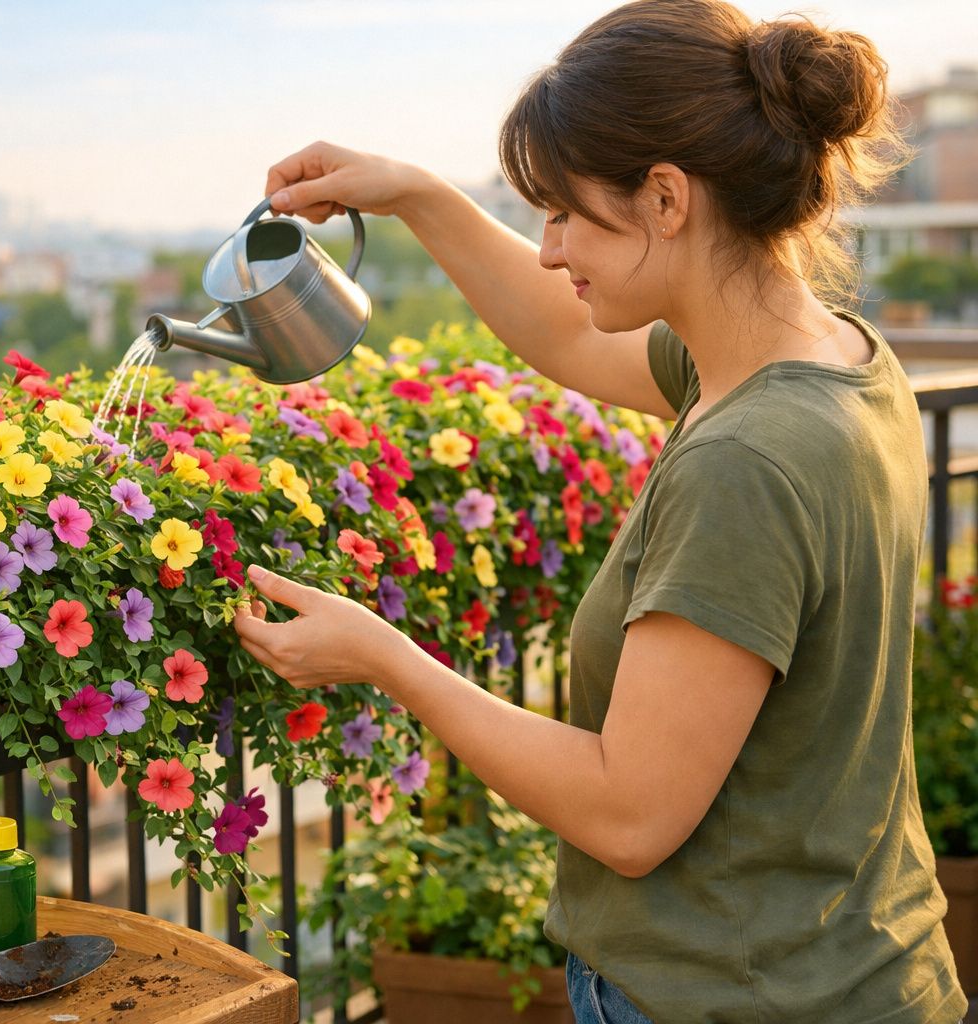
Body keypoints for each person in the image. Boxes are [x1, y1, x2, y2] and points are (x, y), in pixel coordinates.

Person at [231, 0, 968, 1020]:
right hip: (853, 964)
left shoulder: (747, 459)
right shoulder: (830, 357)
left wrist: (386, 659)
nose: (548, 248)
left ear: (667, 198)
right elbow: (571, 341)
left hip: (741, 998)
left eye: (566, 212)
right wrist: (415, 194)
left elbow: (630, 814)